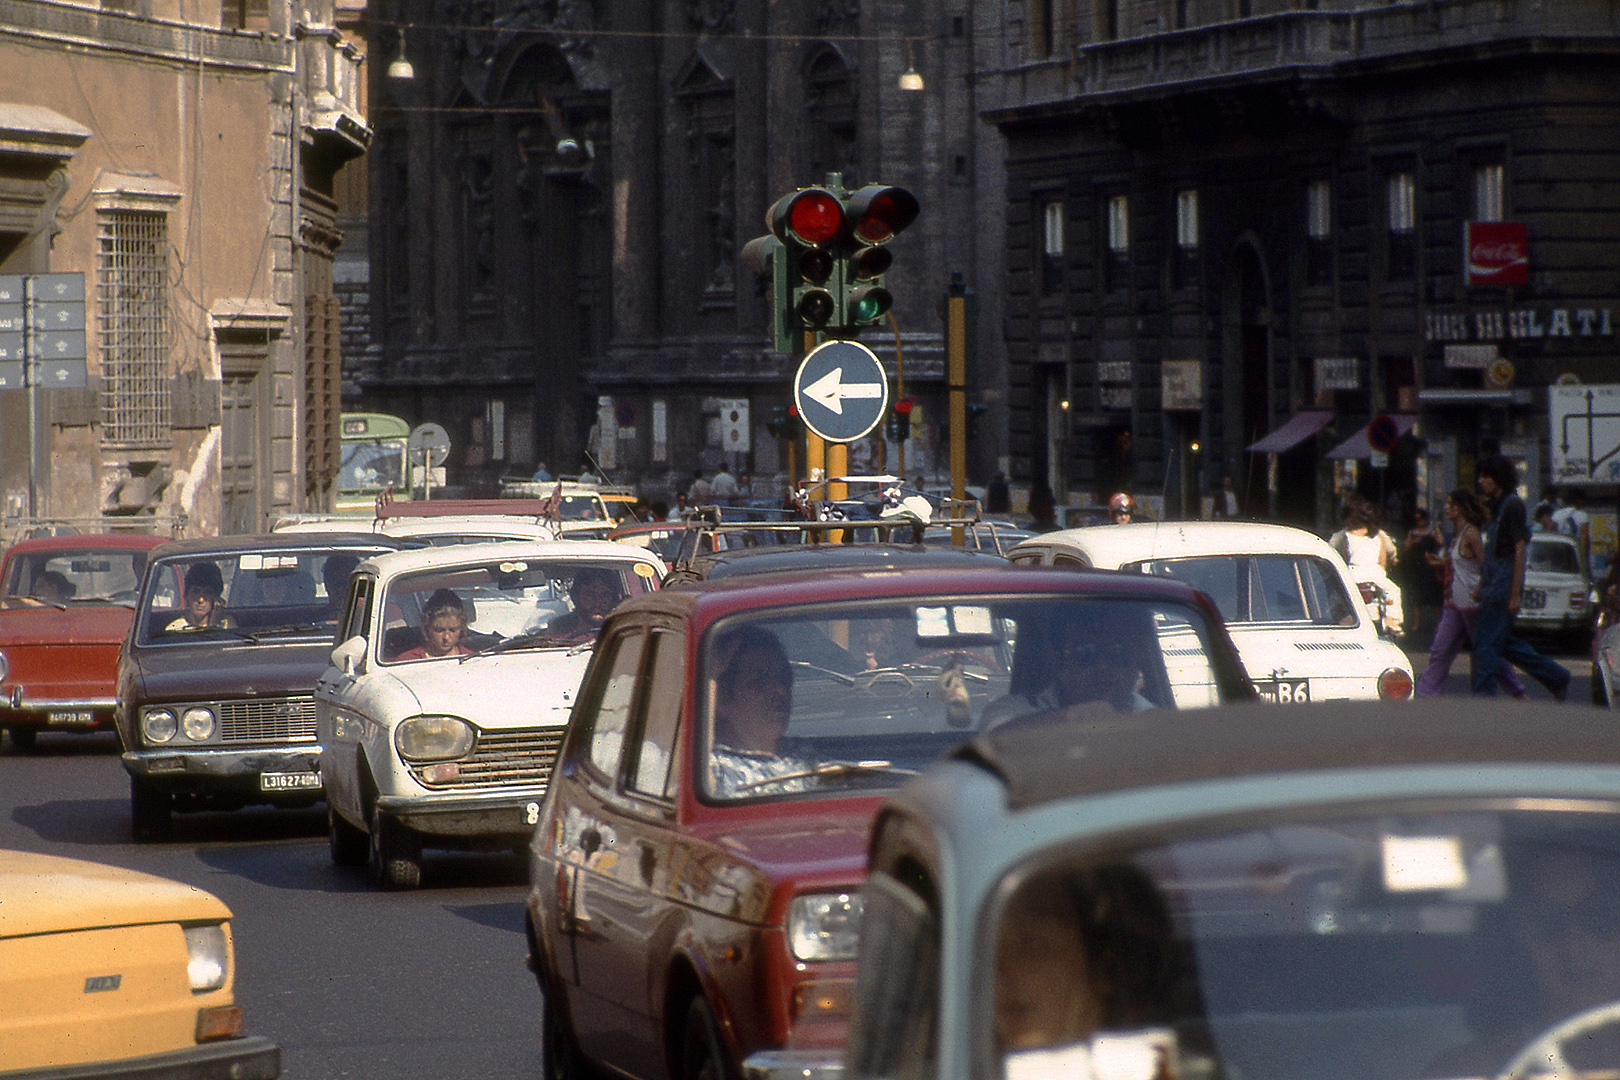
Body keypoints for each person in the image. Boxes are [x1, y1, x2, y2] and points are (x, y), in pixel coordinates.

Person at [1472, 455, 1570, 699]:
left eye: (1486, 476)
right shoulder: (1497, 505)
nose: (1480, 481)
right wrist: (1481, 584)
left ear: (1499, 478)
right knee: (1501, 641)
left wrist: (1514, 594)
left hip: (1502, 587)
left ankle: (1482, 699)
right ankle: (1556, 676)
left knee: (1486, 645)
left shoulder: (1512, 505)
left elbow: (1519, 549)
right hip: (1492, 584)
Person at [1414, 489, 1527, 697]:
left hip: (1472, 605)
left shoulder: (1471, 533)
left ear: (1461, 508)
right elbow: (1463, 565)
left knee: (1487, 652)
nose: (1446, 508)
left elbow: (1487, 566)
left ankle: (1517, 692)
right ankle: (1425, 694)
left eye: (1451, 504)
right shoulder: (1457, 534)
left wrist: (1479, 589)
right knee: (1440, 650)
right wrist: (1441, 563)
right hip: (1454, 603)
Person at [983, 613, 1155, 726]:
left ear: (1137, 660)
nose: (1102, 666)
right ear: (1058, 659)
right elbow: (997, 735)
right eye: (1085, 653)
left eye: (1118, 653)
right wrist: (1070, 719)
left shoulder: (1153, 720)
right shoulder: (1013, 711)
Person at [707, 625, 809, 796]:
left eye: (784, 678)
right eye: (759, 680)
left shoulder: (804, 755)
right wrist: (711, 676)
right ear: (723, 699)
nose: (780, 690)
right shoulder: (715, 768)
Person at [1331, 503, 1404, 637]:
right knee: (1393, 590)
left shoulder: (1346, 535)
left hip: (1353, 572)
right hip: (1374, 573)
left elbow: (1343, 555)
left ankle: (1343, 619)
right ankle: (1391, 621)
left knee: (1340, 595)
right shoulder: (1379, 535)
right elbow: (1386, 555)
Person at [1399, 505, 1446, 640]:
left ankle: (1438, 622)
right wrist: (1413, 542)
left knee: (1431, 594)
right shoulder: (1412, 533)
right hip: (1415, 566)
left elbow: (1441, 542)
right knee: (1416, 595)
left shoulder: (1430, 532)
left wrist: (1437, 528)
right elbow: (1405, 549)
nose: (1419, 522)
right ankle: (1416, 623)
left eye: (1421, 520)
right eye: (1417, 520)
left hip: (1428, 566)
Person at [394, 588, 476, 660]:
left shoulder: (471, 659)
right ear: (426, 628)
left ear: (461, 628)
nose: (446, 637)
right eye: (439, 630)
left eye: (453, 630)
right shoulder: (407, 659)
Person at [545, 567, 621, 639]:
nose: (597, 602)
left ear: (614, 600)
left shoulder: (623, 635)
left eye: (605, 595)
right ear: (576, 597)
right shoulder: (557, 637)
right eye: (590, 595)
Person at [166, 562, 230, 631]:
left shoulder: (227, 624)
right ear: (187, 596)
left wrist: (215, 625)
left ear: (215, 598)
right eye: (196, 592)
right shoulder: (175, 629)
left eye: (207, 592)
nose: (201, 600)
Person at [1552, 487, 1592, 572]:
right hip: (1575, 553)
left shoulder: (1556, 514)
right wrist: (1583, 558)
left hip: (1559, 553)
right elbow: (1585, 537)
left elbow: (1551, 532)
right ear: (1579, 501)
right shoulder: (1582, 515)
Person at [321, 553, 360, 621]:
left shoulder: (374, 616)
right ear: (327, 585)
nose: (341, 589)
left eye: (347, 584)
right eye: (337, 583)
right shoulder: (312, 620)